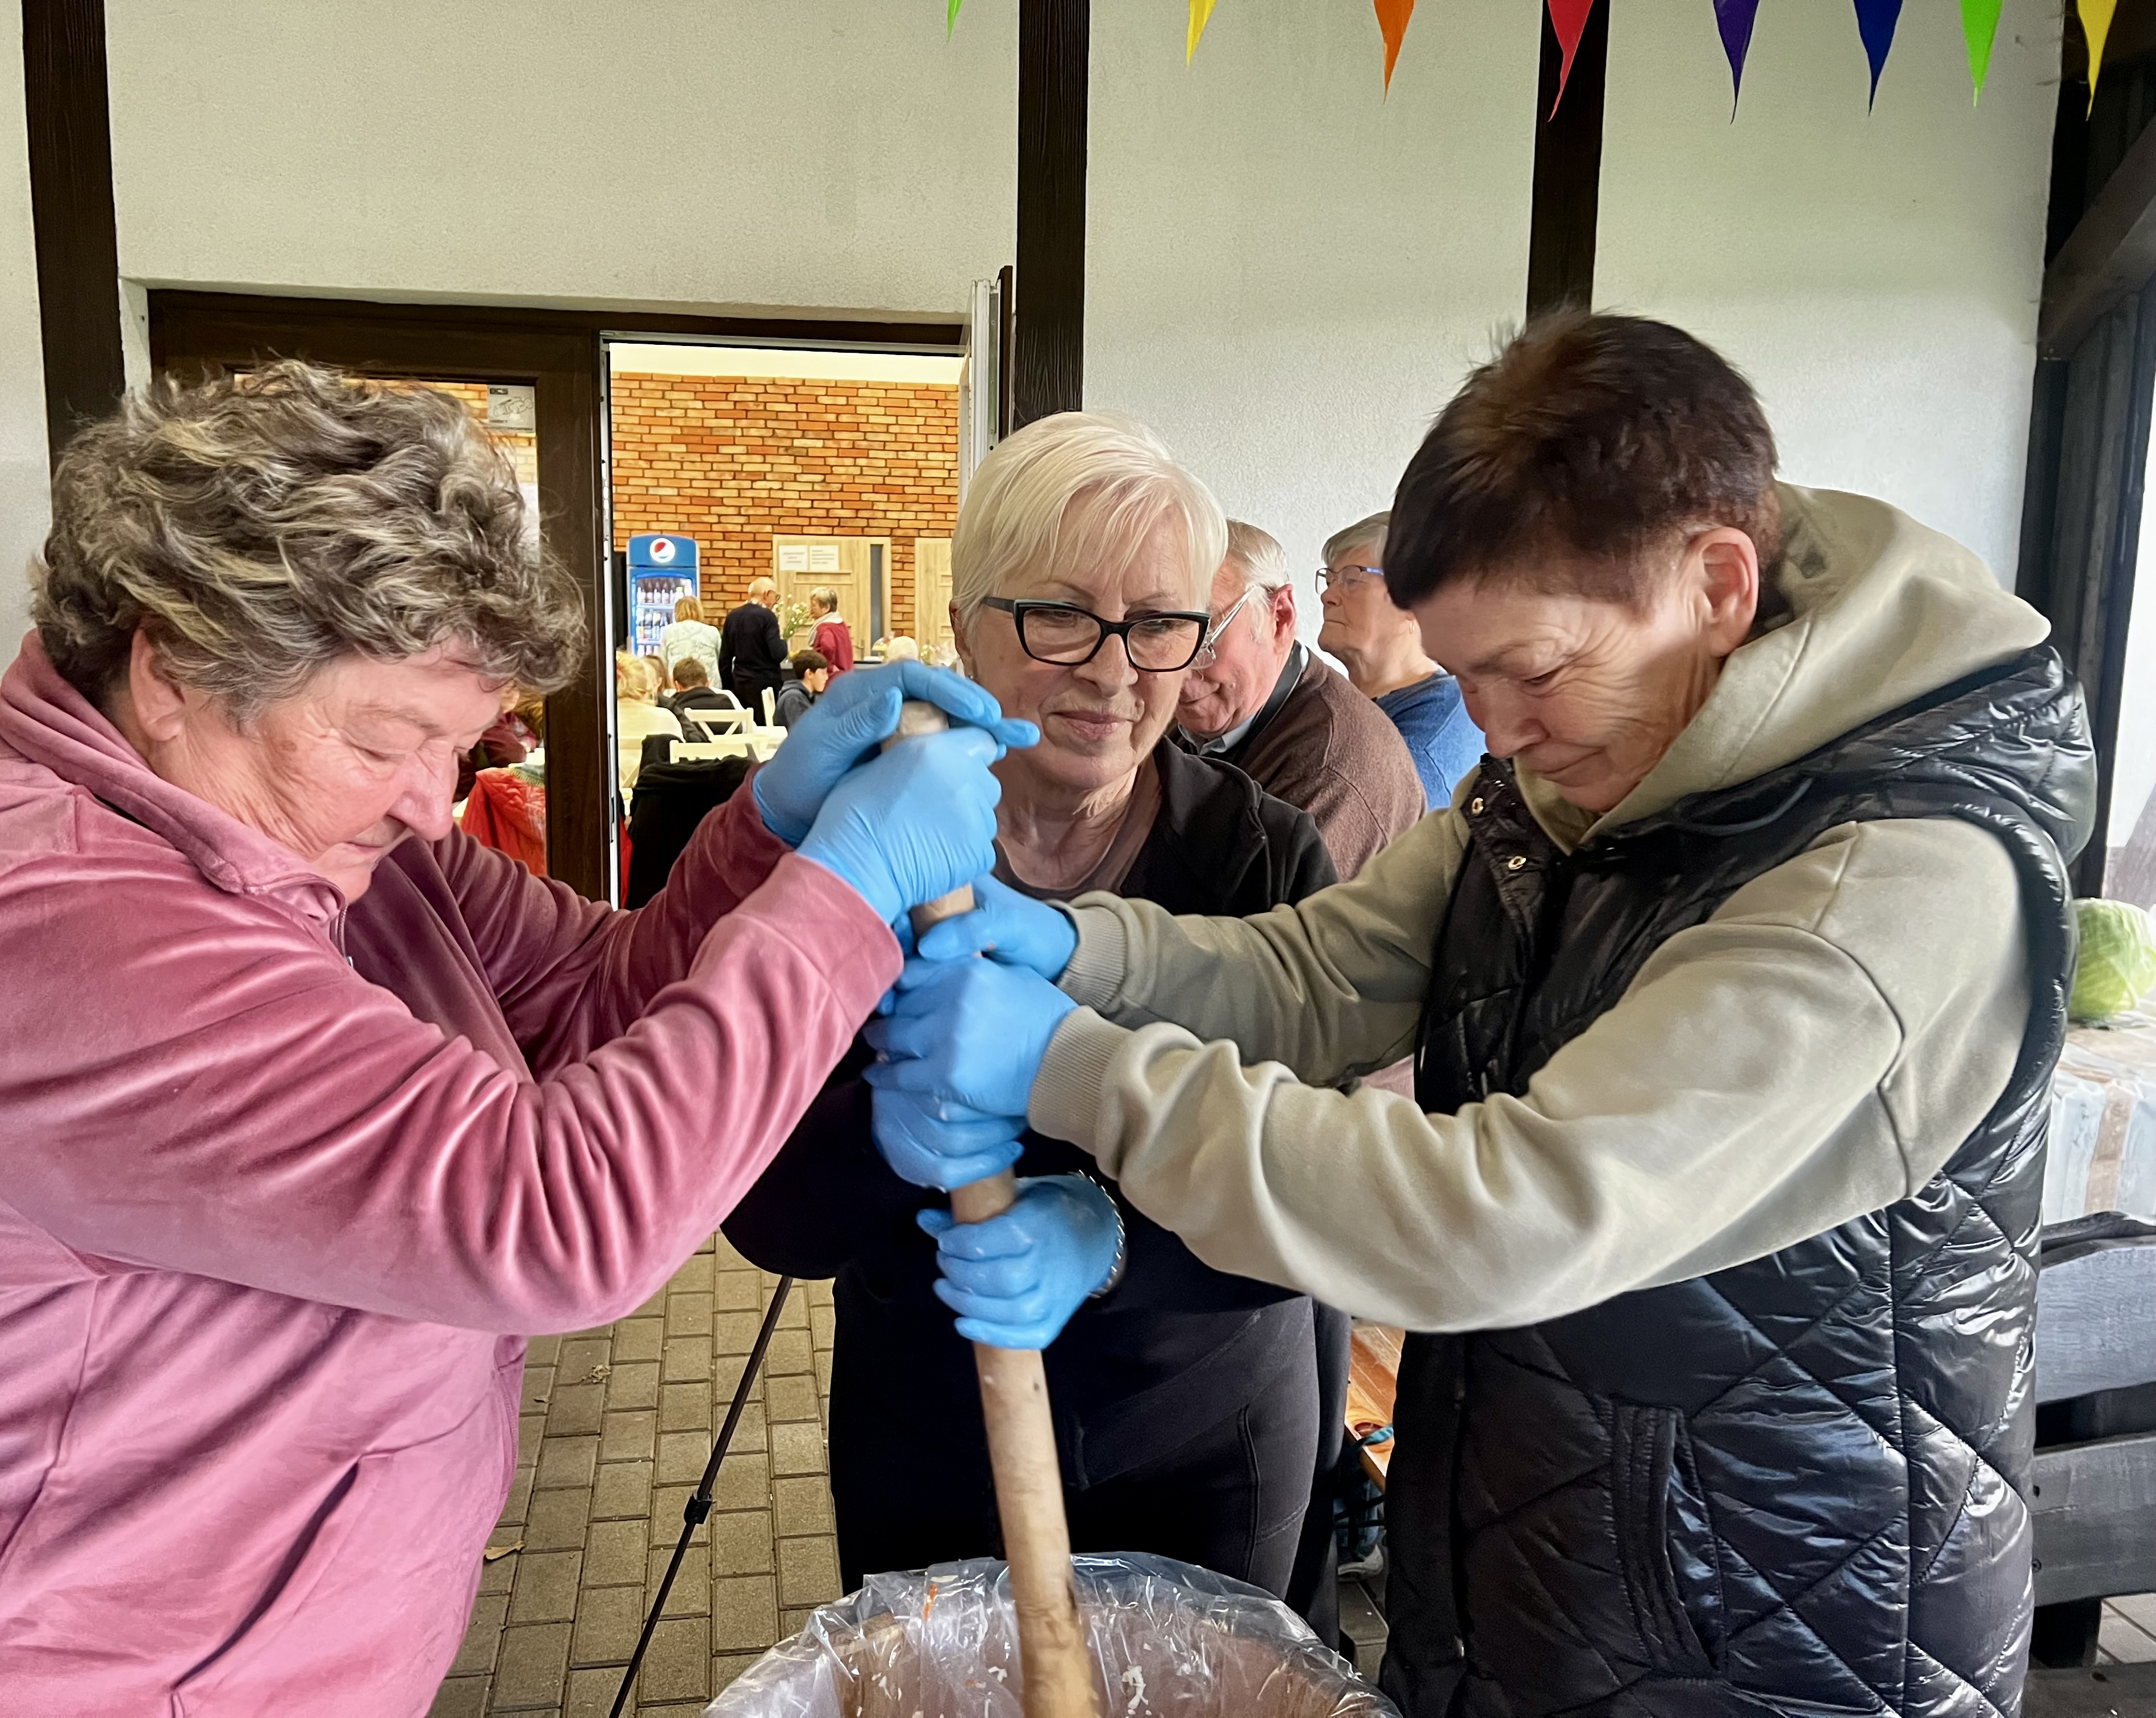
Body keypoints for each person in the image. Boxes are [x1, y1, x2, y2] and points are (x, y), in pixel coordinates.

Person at [862, 313, 2094, 1718]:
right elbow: (1326, 973)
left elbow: (1506, 1214)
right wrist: (1083, 949)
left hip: (1784, 1625)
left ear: (1717, 585)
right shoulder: (1593, 760)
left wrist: (1069, 1067)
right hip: (1541, 1558)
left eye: (1536, 673)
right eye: (1467, 678)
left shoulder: (1894, 885)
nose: (1494, 735)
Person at [0, 361, 1033, 1716]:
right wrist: (847, 890)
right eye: (386, 742)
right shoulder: (47, 925)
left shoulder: (318, 840)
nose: (432, 804)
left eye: (463, 744)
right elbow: (556, 1217)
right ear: (172, 667)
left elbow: (593, 997)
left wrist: (772, 828)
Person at [725, 412, 1342, 1632]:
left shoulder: (1258, 860)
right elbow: (765, 1213)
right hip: (931, 1432)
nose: (1114, 670)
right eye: (1060, 614)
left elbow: (1316, 1195)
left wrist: (1114, 1241)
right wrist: (878, 1136)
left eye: (1158, 622)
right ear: (965, 626)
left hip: (1203, 1437)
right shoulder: (864, 859)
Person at [1177, 519, 1425, 879]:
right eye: (1160, 629)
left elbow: (1257, 917)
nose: (1179, 669)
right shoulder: (1208, 711)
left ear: (1280, 618)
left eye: (1206, 636)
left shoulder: (1330, 771)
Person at [1316, 511, 1486, 808]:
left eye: (1352, 580)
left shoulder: (1429, 731)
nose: (1328, 596)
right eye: (1330, 579)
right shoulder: (1335, 701)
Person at [615, 649, 682, 794]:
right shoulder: (666, 718)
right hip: (655, 798)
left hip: (608, 798)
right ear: (646, 690)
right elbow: (681, 765)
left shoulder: (599, 723)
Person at [722, 576, 789, 707]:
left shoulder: (733, 616)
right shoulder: (768, 617)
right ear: (766, 594)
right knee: (765, 720)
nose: (776, 602)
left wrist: (728, 687)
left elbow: (725, 657)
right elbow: (778, 653)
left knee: (745, 720)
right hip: (766, 685)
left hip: (740, 683)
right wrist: (783, 640)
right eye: (776, 596)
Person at [657, 594, 722, 694]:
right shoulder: (713, 632)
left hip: (678, 686)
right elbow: (720, 660)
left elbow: (662, 663)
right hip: (710, 686)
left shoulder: (669, 631)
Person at [662, 654, 739, 720]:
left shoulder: (672, 710)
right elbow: (741, 729)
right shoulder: (727, 703)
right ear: (708, 684)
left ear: (677, 686)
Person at [774, 649, 830, 729]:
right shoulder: (793, 698)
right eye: (823, 673)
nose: (827, 677)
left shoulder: (806, 696)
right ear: (809, 674)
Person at [809, 586, 854, 675]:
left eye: (814, 605)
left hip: (831, 677)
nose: (810, 608)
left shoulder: (825, 628)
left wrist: (829, 667)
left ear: (826, 608)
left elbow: (828, 647)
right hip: (846, 676)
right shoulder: (841, 624)